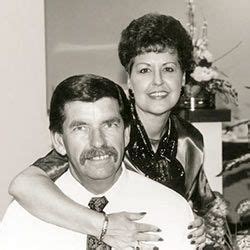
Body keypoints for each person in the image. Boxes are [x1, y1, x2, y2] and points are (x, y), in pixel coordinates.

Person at [8, 13, 219, 248]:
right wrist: (102, 225)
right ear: (129, 80)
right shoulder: (106, 134)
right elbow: (24, 184)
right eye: (144, 71)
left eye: (168, 69)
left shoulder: (189, 139)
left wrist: (198, 225)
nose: (158, 82)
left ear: (183, 78)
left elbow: (204, 208)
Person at [1, 74, 195, 250]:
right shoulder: (24, 215)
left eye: (109, 125)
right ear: (59, 141)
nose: (98, 141)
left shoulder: (170, 209)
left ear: (126, 134)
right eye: (80, 128)